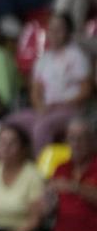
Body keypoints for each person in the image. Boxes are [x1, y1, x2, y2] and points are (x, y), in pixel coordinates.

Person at [8, 14, 93, 153]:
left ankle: (41, 166)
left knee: (42, 128)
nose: (54, 33)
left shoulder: (77, 56)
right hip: (47, 110)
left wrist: (63, 104)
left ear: (68, 32)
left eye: (59, 29)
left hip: (71, 110)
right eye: (51, 29)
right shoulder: (43, 59)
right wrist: (41, 107)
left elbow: (86, 89)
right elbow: (35, 91)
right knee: (12, 122)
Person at [46, 117, 97, 231]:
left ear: (93, 140)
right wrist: (48, 204)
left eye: (82, 138)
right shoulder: (61, 168)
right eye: (72, 138)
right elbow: (49, 211)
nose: (76, 143)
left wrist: (74, 187)